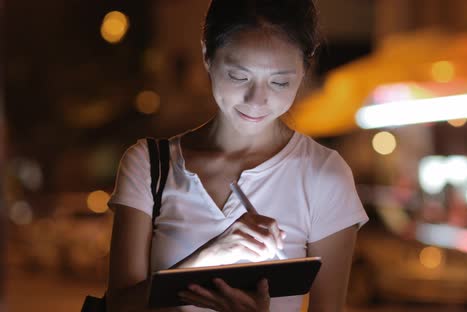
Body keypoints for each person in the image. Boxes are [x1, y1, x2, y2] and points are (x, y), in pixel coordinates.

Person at [105, 0, 369, 311]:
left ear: (304, 69)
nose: (257, 100)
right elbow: (118, 306)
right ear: (207, 56)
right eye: (239, 77)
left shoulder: (323, 175)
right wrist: (210, 256)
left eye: (279, 82)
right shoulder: (149, 165)